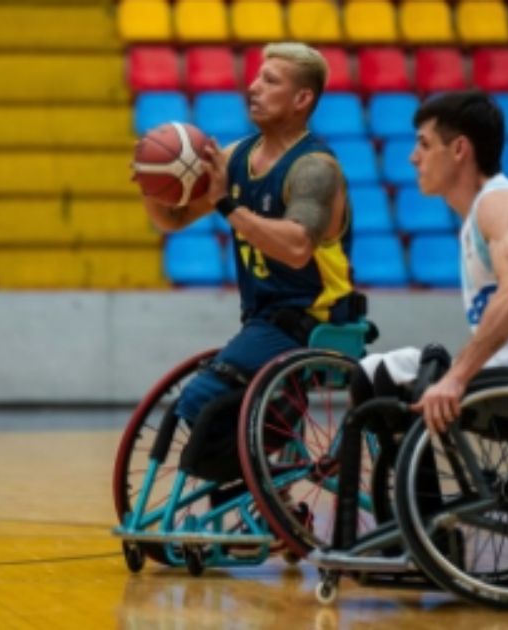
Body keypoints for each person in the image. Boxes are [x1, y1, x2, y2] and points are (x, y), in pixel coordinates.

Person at [137, 43, 364, 482]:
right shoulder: (237, 157)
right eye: (257, 77)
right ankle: (261, 491)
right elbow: (175, 217)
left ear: (302, 100)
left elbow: (298, 246)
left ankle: (263, 484)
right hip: (263, 323)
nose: (253, 87)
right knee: (212, 407)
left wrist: (226, 205)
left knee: (202, 399)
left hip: (313, 320)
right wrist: (151, 181)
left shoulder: (315, 169)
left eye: (270, 81)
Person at [359, 90, 508, 433]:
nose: (412, 157)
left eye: (423, 144)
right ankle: (411, 484)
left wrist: (456, 378)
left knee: (374, 375)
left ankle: (409, 487)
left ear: (459, 150)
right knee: (377, 372)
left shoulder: (498, 205)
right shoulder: (494, 209)